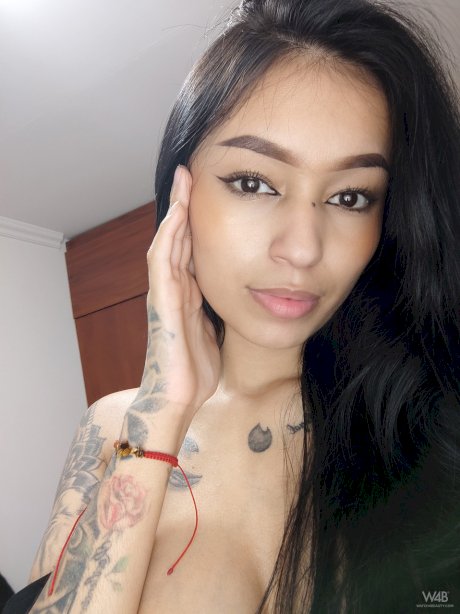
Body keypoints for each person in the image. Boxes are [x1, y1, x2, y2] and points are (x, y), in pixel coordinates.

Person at [6, 0, 459, 612]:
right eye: (254, 183)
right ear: (181, 193)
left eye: (351, 197)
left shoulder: (431, 420)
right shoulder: (113, 427)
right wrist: (162, 412)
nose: (302, 249)